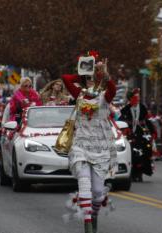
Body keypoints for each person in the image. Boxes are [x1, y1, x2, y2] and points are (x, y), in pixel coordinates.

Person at [62, 58, 116, 233]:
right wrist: (84, 71)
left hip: (100, 148)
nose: (91, 81)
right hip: (81, 146)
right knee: (84, 185)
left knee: (99, 193)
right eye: (88, 78)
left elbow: (113, 89)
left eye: (94, 78)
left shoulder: (104, 96)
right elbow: (65, 78)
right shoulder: (78, 95)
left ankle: (93, 216)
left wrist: (104, 75)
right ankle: (88, 227)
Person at [119, 88, 156, 182]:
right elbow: (120, 120)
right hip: (130, 134)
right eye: (135, 97)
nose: (137, 99)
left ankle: (140, 173)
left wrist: (152, 131)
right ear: (130, 98)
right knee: (132, 153)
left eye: (138, 97)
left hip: (141, 133)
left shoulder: (143, 108)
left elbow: (147, 120)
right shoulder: (125, 109)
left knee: (144, 151)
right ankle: (133, 173)